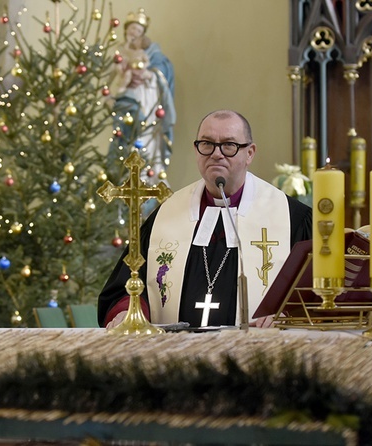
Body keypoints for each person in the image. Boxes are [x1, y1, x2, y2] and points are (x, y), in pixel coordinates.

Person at [98, 110, 313, 328]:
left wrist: (289, 315)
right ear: (196, 150)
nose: (216, 154)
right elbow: (125, 287)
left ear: (250, 153)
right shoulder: (165, 216)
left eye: (229, 145)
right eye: (207, 144)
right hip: (173, 356)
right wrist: (129, 313)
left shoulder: (291, 218)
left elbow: (314, 296)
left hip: (258, 355)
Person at [108, 8, 176, 188]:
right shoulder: (120, 51)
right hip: (126, 99)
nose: (134, 34)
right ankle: (123, 177)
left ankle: (146, 177)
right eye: (131, 30)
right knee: (123, 134)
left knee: (145, 136)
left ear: (143, 34)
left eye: (138, 31)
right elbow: (111, 77)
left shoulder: (153, 54)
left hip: (148, 102)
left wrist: (148, 75)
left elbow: (162, 73)